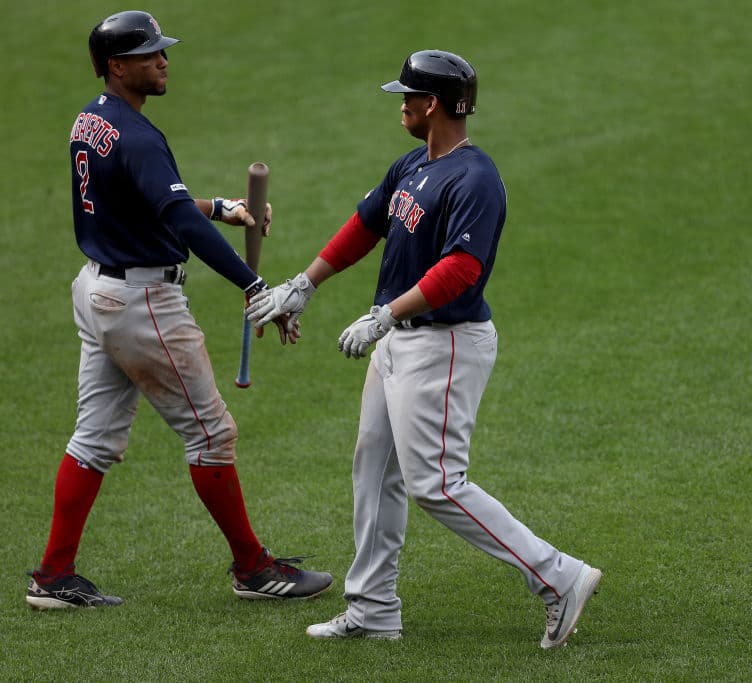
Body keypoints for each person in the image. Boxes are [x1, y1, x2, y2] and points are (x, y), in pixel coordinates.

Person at [246, 50, 601, 648]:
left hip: (445, 344)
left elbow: (462, 268)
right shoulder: (414, 164)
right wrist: (304, 285)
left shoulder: (476, 179)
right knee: (374, 468)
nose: (401, 104)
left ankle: (558, 577)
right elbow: (365, 224)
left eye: (407, 96)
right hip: (398, 342)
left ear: (431, 104)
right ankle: (374, 609)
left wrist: (386, 314)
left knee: (437, 482)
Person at [25, 10, 333, 610]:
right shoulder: (139, 135)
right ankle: (253, 569)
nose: (164, 60)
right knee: (212, 435)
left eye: (163, 50)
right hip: (142, 304)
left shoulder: (93, 120)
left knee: (92, 441)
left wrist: (221, 205)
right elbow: (177, 220)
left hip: (96, 292)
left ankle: (52, 576)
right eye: (149, 53)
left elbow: (144, 200)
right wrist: (252, 285)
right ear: (118, 66)